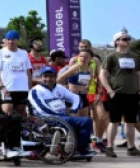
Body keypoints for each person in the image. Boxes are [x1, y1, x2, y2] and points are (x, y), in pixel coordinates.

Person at [29, 66, 94, 159]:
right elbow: (41, 108)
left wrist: (73, 110)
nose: (48, 79)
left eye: (51, 76)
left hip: (63, 117)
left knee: (87, 121)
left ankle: (79, 149)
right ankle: (64, 147)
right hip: (46, 118)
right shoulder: (36, 90)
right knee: (69, 121)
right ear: (41, 77)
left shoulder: (59, 88)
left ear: (55, 77)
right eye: (45, 76)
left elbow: (76, 98)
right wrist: (58, 116)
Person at [100, 29, 138, 158]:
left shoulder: (135, 57)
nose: (128, 41)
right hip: (116, 93)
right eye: (124, 39)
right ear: (117, 41)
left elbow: (138, 74)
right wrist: (109, 90)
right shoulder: (111, 56)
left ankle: (131, 147)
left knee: (130, 121)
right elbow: (102, 74)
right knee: (114, 120)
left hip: (132, 93)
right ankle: (110, 147)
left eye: (129, 39)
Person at [0, 30, 31, 116]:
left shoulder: (24, 53)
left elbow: (28, 72)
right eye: (8, 39)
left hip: (22, 89)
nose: (10, 42)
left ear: (17, 40)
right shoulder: (0, 53)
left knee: (20, 115)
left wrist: (29, 88)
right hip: (7, 89)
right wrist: (2, 87)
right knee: (8, 112)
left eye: (13, 39)